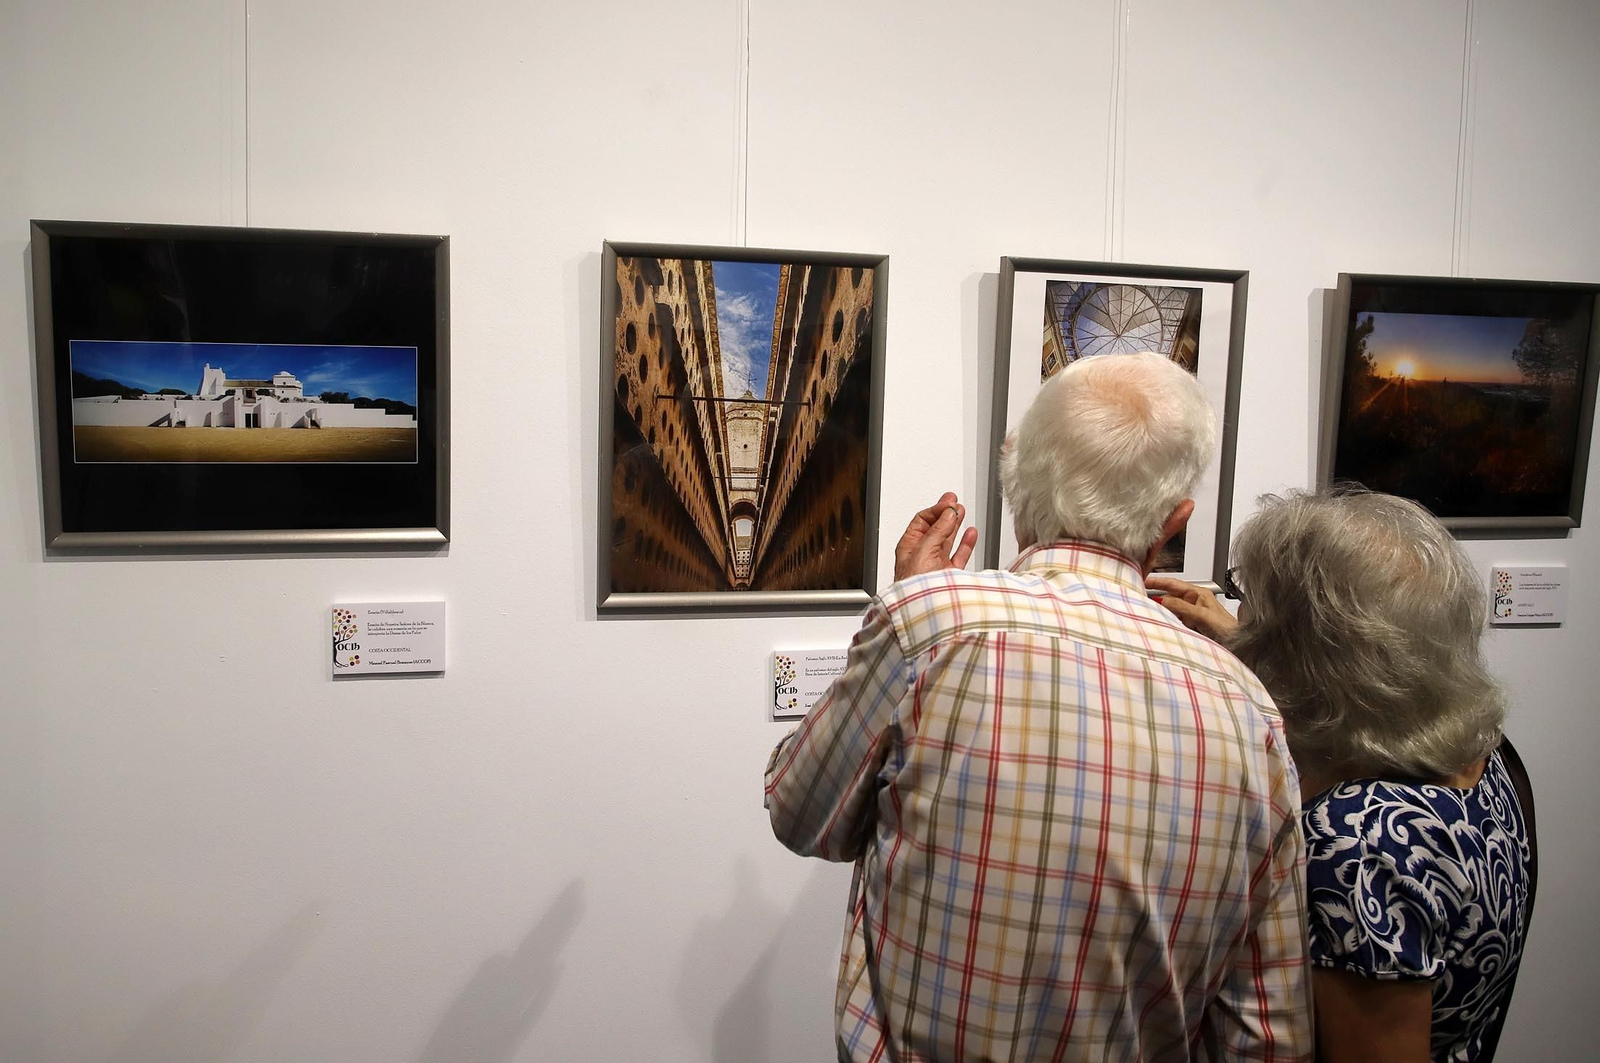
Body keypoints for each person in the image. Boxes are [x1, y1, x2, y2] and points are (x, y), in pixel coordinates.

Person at [764, 353, 1312, 1063]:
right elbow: (1266, 1032)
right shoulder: (1250, 709)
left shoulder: (930, 623)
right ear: (1176, 519)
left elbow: (800, 814)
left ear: (1015, 476)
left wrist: (904, 607)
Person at [1149, 487, 1530, 1063]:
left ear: (1310, 651)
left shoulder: (1359, 844)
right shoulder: (1485, 754)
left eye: (1251, 602)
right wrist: (1252, 647)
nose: (1240, 611)